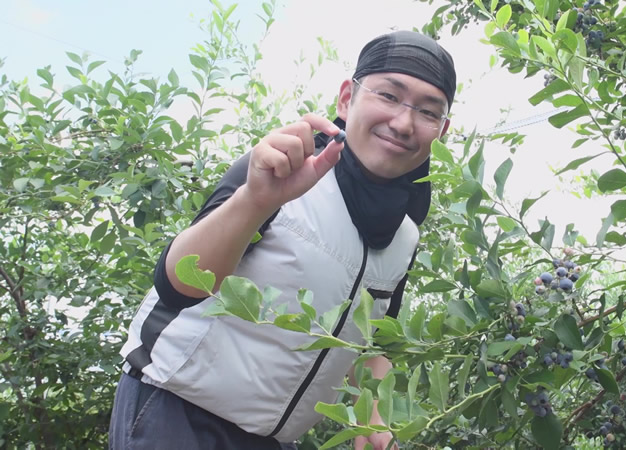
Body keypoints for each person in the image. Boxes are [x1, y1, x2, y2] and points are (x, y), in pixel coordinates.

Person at [109, 30, 456, 449]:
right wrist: (254, 200)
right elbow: (179, 284)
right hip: (176, 413)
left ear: (442, 130)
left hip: (273, 440)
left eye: (427, 111)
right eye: (389, 95)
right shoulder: (285, 167)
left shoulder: (404, 235)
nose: (403, 122)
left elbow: (373, 339)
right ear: (347, 98)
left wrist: (375, 421)